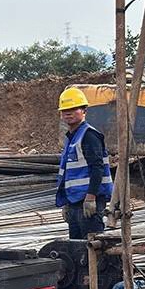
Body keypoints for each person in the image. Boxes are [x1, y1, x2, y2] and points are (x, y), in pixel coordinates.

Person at [56, 87, 113, 239]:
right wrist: (66, 203)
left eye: (74, 109)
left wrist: (91, 197)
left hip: (88, 201)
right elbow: (69, 174)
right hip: (74, 202)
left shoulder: (89, 136)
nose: (68, 113)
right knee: (76, 250)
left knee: (93, 247)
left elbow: (97, 168)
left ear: (84, 110)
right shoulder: (71, 138)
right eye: (65, 110)